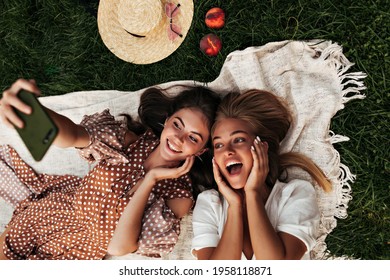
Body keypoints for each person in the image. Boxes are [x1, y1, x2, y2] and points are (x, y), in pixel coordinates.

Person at [0, 78, 220, 260]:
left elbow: (118, 247)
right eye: (177, 125)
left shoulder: (178, 196)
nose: (178, 138)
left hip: (79, 251)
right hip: (53, 211)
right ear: (167, 119)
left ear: (201, 151)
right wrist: (34, 112)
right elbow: (74, 135)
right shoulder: (130, 142)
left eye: (193, 137)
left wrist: (150, 180)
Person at [191, 89, 332, 260]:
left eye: (239, 140)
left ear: (262, 147)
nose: (227, 151)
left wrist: (253, 194)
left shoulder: (295, 194)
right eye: (219, 145)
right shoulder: (209, 204)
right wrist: (234, 206)